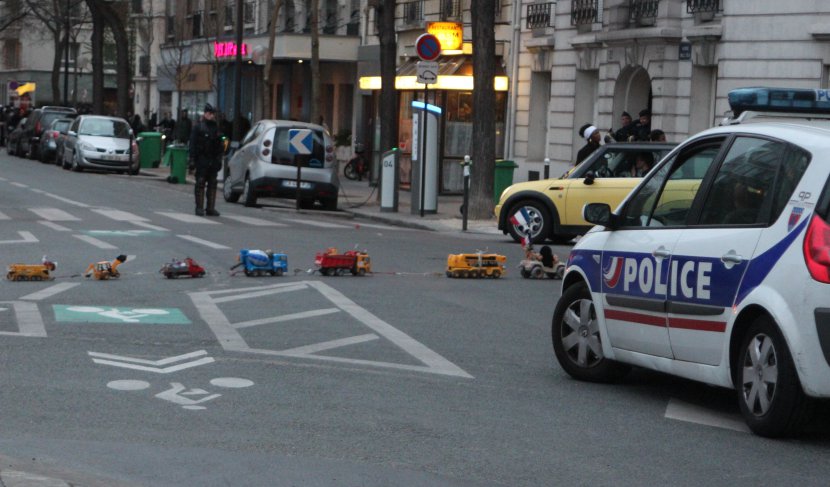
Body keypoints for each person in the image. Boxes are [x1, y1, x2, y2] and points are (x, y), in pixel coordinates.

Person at [189, 103, 225, 217]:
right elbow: (193, 144)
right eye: (209, 113)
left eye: (212, 114)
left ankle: (210, 208)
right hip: (202, 159)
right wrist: (192, 159)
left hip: (213, 159)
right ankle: (199, 207)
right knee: (200, 182)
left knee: (212, 183)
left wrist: (219, 158)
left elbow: (220, 144)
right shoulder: (198, 127)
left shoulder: (216, 128)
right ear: (205, 113)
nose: (211, 115)